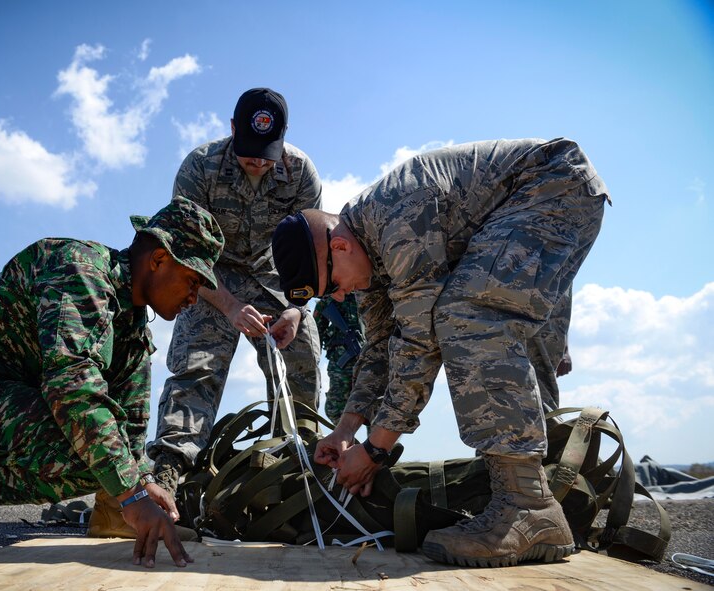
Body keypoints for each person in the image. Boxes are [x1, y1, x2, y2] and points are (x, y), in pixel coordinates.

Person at [272, 138, 611, 567]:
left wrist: (376, 450)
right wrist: (345, 429)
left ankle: (526, 507)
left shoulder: (395, 221)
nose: (339, 297)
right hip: (534, 204)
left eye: (333, 285)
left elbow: (420, 344)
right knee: (507, 339)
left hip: (551, 187)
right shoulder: (366, 256)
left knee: (467, 315)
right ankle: (543, 503)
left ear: (339, 247)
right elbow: (380, 349)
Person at [0, 196, 224, 568]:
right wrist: (132, 494)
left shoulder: (131, 321)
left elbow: (131, 418)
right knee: (82, 447)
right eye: (192, 280)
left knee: (107, 452)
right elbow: (73, 390)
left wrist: (142, 485)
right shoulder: (79, 273)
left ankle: (112, 514)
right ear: (159, 259)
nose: (195, 297)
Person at [147, 88, 322, 495]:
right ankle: (170, 473)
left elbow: (311, 253)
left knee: (302, 355)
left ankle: (297, 466)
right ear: (231, 130)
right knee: (197, 364)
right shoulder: (199, 168)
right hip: (211, 274)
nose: (258, 164)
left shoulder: (301, 173)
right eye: (249, 153)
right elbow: (186, 251)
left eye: (267, 154)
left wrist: (297, 308)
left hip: (275, 274)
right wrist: (228, 306)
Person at [314, 294, 365, 423]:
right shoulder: (329, 301)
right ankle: (342, 438)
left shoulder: (366, 295)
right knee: (335, 406)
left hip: (367, 358)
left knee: (376, 402)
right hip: (340, 361)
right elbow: (315, 334)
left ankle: (378, 442)